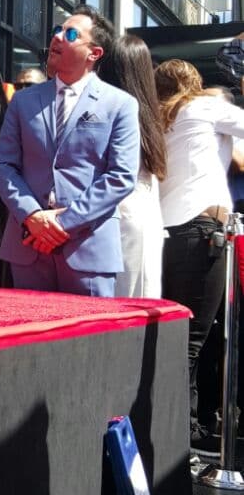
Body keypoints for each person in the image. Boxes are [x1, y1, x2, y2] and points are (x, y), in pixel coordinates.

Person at [0, 7, 139, 297]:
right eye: (57, 31)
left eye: (70, 34)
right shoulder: (23, 101)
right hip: (28, 245)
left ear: (94, 53)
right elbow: (3, 166)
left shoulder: (119, 104)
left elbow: (121, 176)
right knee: (27, 339)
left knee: (91, 342)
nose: (57, 37)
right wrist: (33, 216)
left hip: (88, 248)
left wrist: (62, 222)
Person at [154, 59, 244, 450]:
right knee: (193, 343)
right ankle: (180, 440)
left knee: (177, 339)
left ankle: (180, 431)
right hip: (202, 231)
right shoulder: (204, 107)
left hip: (165, 234)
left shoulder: (157, 119)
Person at [98, 34, 166, 298]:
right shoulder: (149, 116)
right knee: (141, 299)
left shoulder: (115, 110)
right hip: (146, 215)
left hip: (117, 214)